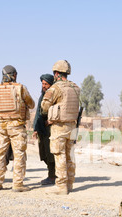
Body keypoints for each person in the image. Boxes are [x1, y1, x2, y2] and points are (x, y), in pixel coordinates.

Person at [0, 65, 35, 192]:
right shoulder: (20, 88)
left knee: (0, 155)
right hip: (17, 126)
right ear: (14, 75)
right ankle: (17, 184)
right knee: (19, 155)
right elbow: (31, 104)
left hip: (1, 127)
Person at [41, 60, 80, 195]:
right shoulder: (76, 87)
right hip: (72, 126)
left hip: (59, 126)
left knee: (60, 155)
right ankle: (70, 184)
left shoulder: (55, 88)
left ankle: (61, 186)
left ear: (56, 73)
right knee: (70, 155)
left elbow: (44, 106)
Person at [32, 74, 56, 185]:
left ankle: (52, 176)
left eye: (46, 84)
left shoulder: (54, 95)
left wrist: (51, 121)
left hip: (51, 130)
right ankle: (53, 174)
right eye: (42, 83)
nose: (44, 86)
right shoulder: (43, 96)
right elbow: (38, 112)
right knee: (44, 154)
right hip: (42, 129)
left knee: (50, 154)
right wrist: (36, 128)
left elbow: (58, 111)